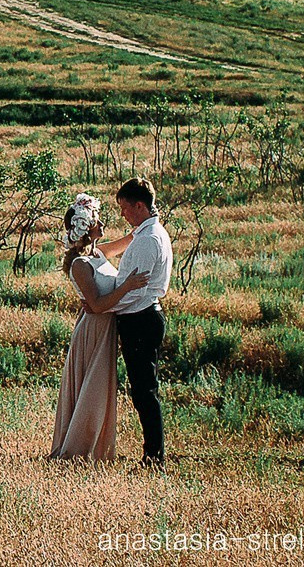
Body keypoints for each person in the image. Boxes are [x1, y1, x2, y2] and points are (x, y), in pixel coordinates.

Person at [49, 193, 148, 461]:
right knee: (92, 389)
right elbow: (97, 304)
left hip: (105, 327)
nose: (102, 223)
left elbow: (129, 241)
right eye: (97, 220)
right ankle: (78, 449)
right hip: (94, 329)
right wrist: (127, 286)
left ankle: (92, 446)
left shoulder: (98, 253)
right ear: (87, 227)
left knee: (100, 389)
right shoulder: (80, 264)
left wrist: (148, 218)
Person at [95, 177, 173, 469]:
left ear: (139, 205)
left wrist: (101, 306)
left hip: (140, 319)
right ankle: (153, 455)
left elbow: (133, 291)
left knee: (144, 391)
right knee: (143, 389)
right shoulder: (146, 233)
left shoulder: (148, 240)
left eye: (125, 208)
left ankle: (154, 458)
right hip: (142, 317)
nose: (123, 214)